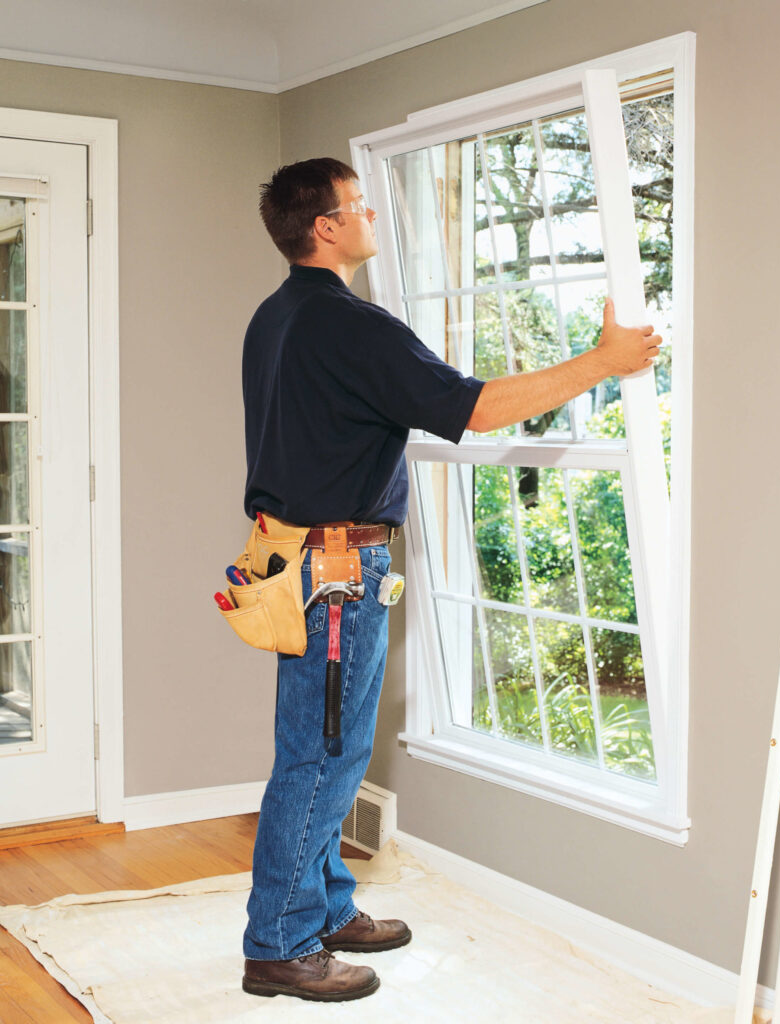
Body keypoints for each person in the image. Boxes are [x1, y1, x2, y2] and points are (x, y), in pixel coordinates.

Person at [239, 157, 661, 1003]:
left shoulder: (274, 317)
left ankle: (321, 907)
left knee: (326, 748)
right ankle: (279, 944)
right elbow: (476, 409)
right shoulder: (352, 327)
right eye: (358, 205)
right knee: (320, 756)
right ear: (324, 227)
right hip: (334, 569)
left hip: (296, 558)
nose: (367, 216)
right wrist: (602, 361)